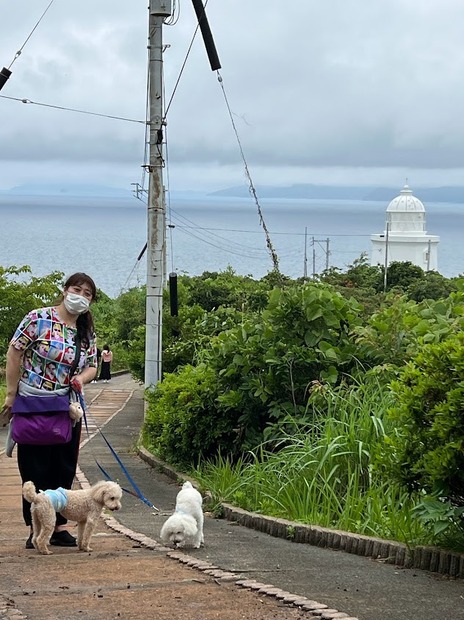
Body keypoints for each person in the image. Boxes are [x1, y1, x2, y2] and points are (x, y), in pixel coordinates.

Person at [2, 272, 98, 548]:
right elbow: (14, 352)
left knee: (64, 465)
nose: (81, 296)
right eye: (77, 289)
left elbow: (91, 364)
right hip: (33, 403)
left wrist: (81, 378)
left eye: (87, 294)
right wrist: (11, 393)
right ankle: (35, 529)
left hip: (67, 407)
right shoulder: (38, 318)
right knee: (34, 466)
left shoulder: (85, 330)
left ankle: (58, 526)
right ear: (66, 289)